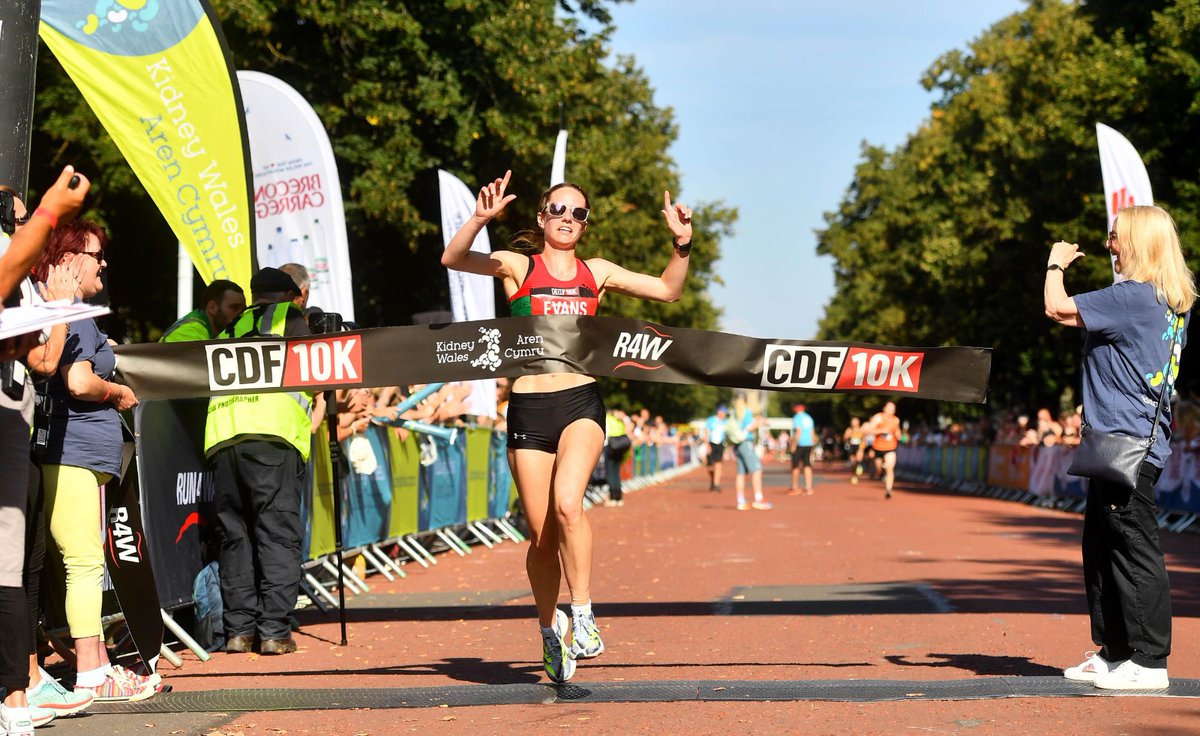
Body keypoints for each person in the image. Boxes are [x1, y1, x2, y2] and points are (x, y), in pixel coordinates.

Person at [441, 170, 692, 683]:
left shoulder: (595, 271)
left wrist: (682, 244)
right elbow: (453, 259)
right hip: (529, 411)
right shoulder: (518, 267)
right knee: (540, 535)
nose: (569, 219)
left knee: (568, 505)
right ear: (542, 216)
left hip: (580, 401)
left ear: (585, 224)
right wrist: (479, 219)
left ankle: (582, 613)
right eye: (559, 210)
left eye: (579, 213)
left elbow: (667, 291)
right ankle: (548, 630)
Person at [1045, 205, 1195, 690]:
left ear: (1138, 241)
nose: (1110, 247)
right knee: (1103, 548)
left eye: (1115, 238)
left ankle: (1148, 661)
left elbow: (1056, 307)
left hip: (1124, 441)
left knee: (1133, 550)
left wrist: (1054, 263)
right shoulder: (1168, 301)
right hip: (1126, 441)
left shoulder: (1132, 297)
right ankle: (1114, 653)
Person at [33, 219, 158, 703]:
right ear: (68, 259)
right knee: (84, 563)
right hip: (72, 454)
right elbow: (79, 382)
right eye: (96, 253)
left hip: (75, 454)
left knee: (82, 562)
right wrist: (118, 392)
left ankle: (98, 663)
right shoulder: (75, 317)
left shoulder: (67, 314)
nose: (103, 262)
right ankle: (91, 672)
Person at [0, 169, 93, 732]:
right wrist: (51, 212)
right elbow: (51, 363)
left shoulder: (25, 276)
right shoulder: (17, 258)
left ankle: (16, 695)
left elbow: (36, 357)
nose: (22, 218)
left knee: (15, 566)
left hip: (13, 420)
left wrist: (45, 317)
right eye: (16, 213)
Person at [205, 267, 313, 656]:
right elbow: (320, 374)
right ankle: (273, 633)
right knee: (277, 537)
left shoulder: (230, 327)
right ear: (290, 295)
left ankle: (238, 632)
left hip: (224, 440)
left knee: (236, 539)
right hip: (273, 437)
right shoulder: (292, 319)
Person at [159, 279, 246, 342]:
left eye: (244, 310)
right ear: (212, 308)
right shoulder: (190, 331)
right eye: (234, 307)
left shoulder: (200, 328)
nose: (241, 314)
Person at [727, 398, 770, 511]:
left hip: (737, 445)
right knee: (757, 469)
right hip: (746, 444)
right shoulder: (746, 412)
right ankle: (758, 499)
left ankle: (740, 501)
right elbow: (749, 427)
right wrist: (759, 423)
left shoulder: (734, 413)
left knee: (741, 473)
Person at [864, 401, 901, 499]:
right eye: (889, 408)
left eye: (893, 409)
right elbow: (869, 430)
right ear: (884, 408)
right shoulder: (878, 417)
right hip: (878, 447)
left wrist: (899, 435)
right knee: (878, 469)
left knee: (890, 468)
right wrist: (881, 431)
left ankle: (889, 489)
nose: (891, 411)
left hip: (891, 447)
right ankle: (880, 472)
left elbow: (898, 433)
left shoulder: (896, 420)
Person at [603, 409, 632, 507]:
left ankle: (612, 497)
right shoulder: (620, 420)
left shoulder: (608, 418)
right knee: (616, 473)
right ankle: (619, 497)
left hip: (610, 446)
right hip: (620, 447)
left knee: (610, 473)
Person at [788, 403, 816, 495]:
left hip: (800, 443)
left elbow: (798, 431)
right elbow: (812, 432)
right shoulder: (809, 418)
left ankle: (795, 487)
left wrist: (794, 444)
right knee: (807, 465)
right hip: (809, 444)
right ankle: (809, 487)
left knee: (795, 466)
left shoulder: (797, 418)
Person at [703, 404, 729, 492]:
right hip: (711, 443)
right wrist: (707, 445)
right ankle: (713, 480)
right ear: (719, 412)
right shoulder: (711, 420)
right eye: (723, 412)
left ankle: (716, 484)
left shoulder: (726, 421)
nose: (724, 414)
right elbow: (706, 432)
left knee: (718, 464)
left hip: (720, 444)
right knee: (710, 466)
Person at [843, 416, 864, 483]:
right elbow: (845, 438)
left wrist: (863, 445)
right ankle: (854, 476)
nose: (854, 423)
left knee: (859, 458)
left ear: (858, 422)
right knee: (853, 463)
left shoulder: (861, 429)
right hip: (852, 446)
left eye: (855, 421)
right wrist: (848, 436)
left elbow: (864, 438)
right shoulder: (849, 430)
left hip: (859, 446)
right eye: (853, 421)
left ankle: (860, 466)